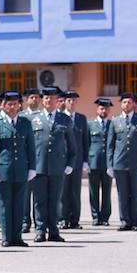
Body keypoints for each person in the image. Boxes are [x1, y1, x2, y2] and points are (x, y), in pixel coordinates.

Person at [25, 87, 75, 243]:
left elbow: (72, 146)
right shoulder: (33, 118)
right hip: (39, 166)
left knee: (54, 200)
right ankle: (40, 230)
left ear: (57, 101)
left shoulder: (65, 119)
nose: (48, 101)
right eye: (45, 98)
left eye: (51, 98)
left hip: (57, 167)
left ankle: (53, 231)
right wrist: (30, 166)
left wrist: (70, 164)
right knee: (39, 201)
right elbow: (28, 145)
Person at [0, 92, 36, 248]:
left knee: (19, 204)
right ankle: (6, 236)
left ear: (19, 105)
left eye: (15, 104)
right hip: (4, 171)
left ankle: (17, 237)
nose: (12, 107)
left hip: (21, 169)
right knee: (5, 204)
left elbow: (31, 148)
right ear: (3, 105)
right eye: (9, 104)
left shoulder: (25, 123)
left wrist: (32, 168)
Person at [107, 93, 137, 232]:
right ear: (121, 104)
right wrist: (110, 165)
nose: (126, 104)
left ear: (134, 104)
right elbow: (111, 145)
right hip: (119, 163)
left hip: (136, 163)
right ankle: (125, 221)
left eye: (129, 102)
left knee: (136, 193)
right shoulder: (115, 121)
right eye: (124, 102)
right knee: (123, 194)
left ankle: (135, 222)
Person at [59, 91, 88, 230]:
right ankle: (63, 218)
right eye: (69, 100)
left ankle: (74, 220)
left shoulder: (82, 119)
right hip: (63, 160)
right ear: (64, 102)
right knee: (63, 192)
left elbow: (85, 141)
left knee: (75, 192)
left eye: (74, 100)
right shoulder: (60, 117)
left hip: (77, 161)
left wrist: (86, 161)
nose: (71, 102)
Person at [87, 98, 113, 226]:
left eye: (106, 108)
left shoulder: (112, 124)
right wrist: (86, 162)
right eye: (102, 108)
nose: (104, 111)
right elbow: (86, 143)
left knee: (107, 191)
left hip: (107, 163)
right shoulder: (90, 124)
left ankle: (105, 217)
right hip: (94, 162)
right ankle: (95, 216)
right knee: (93, 191)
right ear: (97, 109)